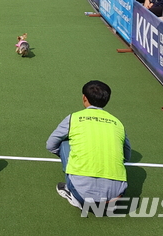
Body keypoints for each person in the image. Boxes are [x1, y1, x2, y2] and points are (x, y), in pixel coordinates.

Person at [46, 80, 130, 210]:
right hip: (116, 196)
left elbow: (50, 145)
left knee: (64, 143)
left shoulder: (74, 118)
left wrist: (71, 158)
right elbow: (127, 156)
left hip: (82, 196)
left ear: (84, 98)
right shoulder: (118, 123)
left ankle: (72, 193)